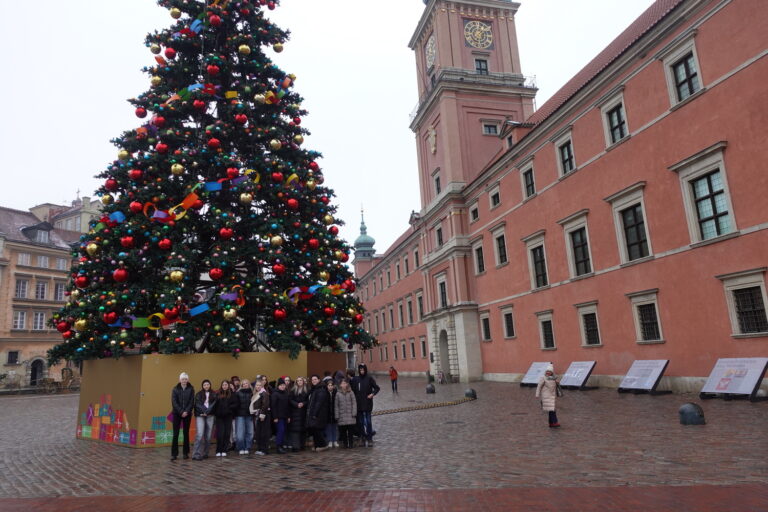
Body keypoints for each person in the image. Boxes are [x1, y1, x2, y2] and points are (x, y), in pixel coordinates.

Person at [352, 363, 380, 447]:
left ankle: (369, 438)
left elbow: (377, 388)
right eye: (360, 370)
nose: (362, 371)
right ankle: (362, 437)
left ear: (365, 370)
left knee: (368, 422)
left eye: (363, 370)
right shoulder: (356, 379)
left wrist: (372, 394)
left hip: (367, 403)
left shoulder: (369, 378)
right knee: (360, 422)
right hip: (359, 404)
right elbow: (353, 390)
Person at [170, 372, 195, 461]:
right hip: (177, 414)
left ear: (188, 380)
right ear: (179, 380)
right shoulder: (175, 389)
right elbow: (174, 402)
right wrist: (181, 412)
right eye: (182, 379)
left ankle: (185, 453)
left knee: (185, 433)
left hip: (187, 414)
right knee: (175, 434)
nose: (184, 381)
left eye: (185, 379)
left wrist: (186, 411)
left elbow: (192, 402)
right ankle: (174, 454)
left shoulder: (191, 389)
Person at [192, 379, 217, 461]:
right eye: (204, 385)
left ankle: (205, 453)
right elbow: (197, 404)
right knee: (199, 434)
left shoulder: (214, 394)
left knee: (208, 436)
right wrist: (204, 412)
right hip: (200, 415)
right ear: (202, 386)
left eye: (207, 384)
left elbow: (214, 405)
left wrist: (207, 412)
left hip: (210, 415)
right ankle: (196, 454)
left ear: (210, 385)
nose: (206, 386)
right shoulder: (198, 394)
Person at [214, 379, 237, 457]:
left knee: (227, 434)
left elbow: (235, 404)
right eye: (223, 385)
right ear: (221, 386)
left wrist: (228, 409)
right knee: (220, 434)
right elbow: (214, 405)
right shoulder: (217, 394)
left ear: (228, 386)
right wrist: (217, 412)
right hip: (219, 417)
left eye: (226, 385)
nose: (224, 386)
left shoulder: (232, 394)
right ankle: (218, 450)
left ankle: (224, 450)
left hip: (228, 417)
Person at [306, 374, 329, 452]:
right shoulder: (314, 389)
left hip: (319, 414)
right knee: (314, 429)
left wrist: (315, 414)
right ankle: (317, 445)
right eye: (312, 380)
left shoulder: (321, 389)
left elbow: (318, 403)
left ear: (319, 380)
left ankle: (323, 444)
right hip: (313, 413)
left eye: (315, 379)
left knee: (316, 429)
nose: (313, 381)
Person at [335, 378, 357, 449]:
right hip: (342, 416)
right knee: (343, 431)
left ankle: (351, 443)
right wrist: (337, 415)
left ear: (347, 384)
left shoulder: (351, 392)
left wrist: (354, 412)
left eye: (345, 383)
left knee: (350, 432)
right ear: (340, 385)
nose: (344, 385)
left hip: (350, 415)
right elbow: (336, 405)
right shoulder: (338, 394)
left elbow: (354, 403)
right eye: (342, 383)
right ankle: (345, 444)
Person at [288, 376, 309, 451]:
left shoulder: (307, 390)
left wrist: (303, 403)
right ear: (296, 382)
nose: (299, 382)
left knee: (303, 430)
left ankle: (302, 445)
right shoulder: (293, 390)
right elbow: (290, 400)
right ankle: (295, 446)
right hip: (294, 412)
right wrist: (296, 404)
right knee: (295, 430)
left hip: (303, 412)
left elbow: (308, 400)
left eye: (301, 380)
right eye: (298, 381)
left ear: (303, 382)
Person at [271, 378, 291, 454]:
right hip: (278, 417)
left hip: (285, 416)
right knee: (280, 431)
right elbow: (273, 406)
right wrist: (275, 417)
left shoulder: (286, 393)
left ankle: (281, 446)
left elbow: (287, 406)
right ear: (278, 386)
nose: (282, 386)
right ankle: (278, 446)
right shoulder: (275, 394)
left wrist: (288, 416)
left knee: (283, 431)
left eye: (283, 385)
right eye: (281, 385)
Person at [250, 380, 270, 455]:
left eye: (259, 385)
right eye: (257, 385)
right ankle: (260, 448)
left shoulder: (264, 393)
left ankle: (264, 450)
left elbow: (265, 405)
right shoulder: (256, 393)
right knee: (259, 432)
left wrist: (262, 415)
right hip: (257, 415)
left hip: (263, 415)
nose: (258, 386)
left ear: (262, 386)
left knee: (264, 433)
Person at [234, 379, 254, 454]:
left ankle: (247, 447)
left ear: (249, 384)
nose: (245, 385)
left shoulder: (253, 393)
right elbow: (235, 404)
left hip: (249, 415)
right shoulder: (238, 393)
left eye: (246, 383)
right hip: (240, 415)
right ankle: (241, 447)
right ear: (241, 385)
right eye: (243, 384)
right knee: (240, 433)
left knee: (250, 433)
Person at [324, 379, 339, 447]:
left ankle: (335, 440)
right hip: (327, 413)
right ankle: (330, 440)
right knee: (328, 428)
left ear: (333, 386)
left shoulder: (336, 393)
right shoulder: (325, 393)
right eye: (329, 385)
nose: (330, 387)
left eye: (331, 385)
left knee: (335, 427)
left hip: (334, 412)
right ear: (327, 386)